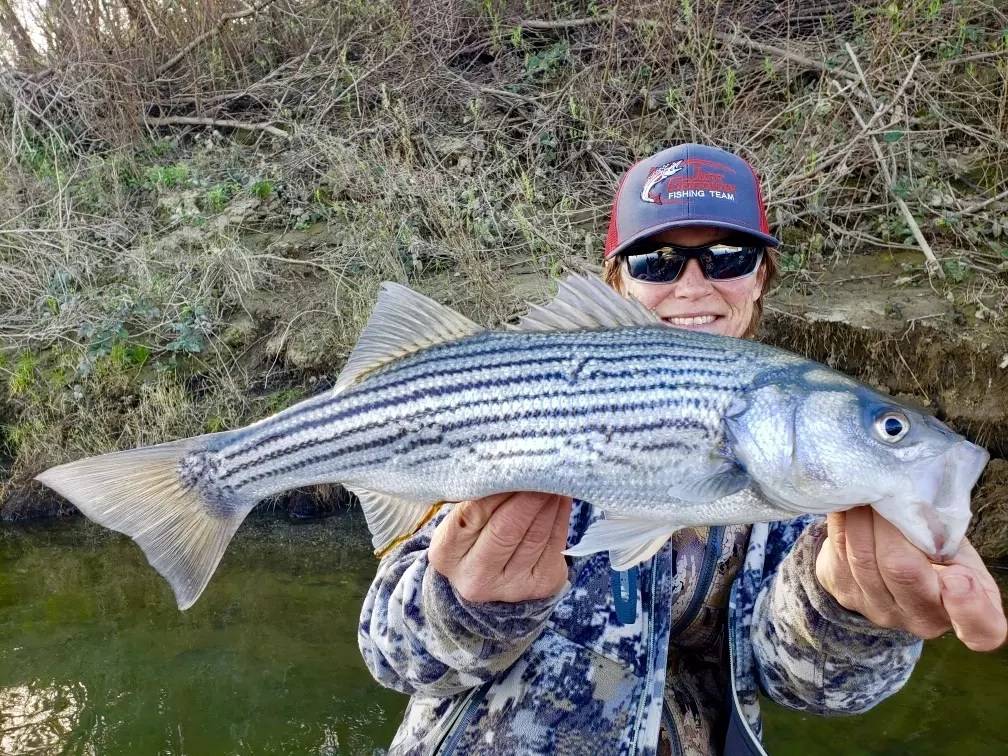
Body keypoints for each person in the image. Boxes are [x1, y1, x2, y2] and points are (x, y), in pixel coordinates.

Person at [358, 143, 1007, 755]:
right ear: (618, 283)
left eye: (727, 256)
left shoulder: (814, 485)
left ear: (761, 279)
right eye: (656, 262)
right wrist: (466, 609)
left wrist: (847, 613)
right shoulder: (505, 415)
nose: (693, 285)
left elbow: (815, 688)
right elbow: (392, 655)